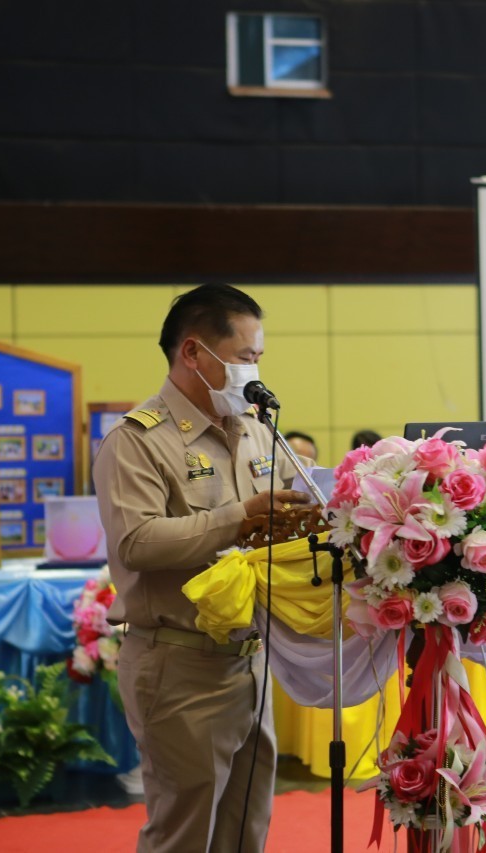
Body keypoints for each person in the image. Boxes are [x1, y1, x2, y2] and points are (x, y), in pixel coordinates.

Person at [93, 283, 307, 853]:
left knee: (246, 829)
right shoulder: (136, 441)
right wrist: (239, 517)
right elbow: (136, 541)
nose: (254, 372)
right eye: (245, 358)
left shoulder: (258, 430)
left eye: (258, 359)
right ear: (194, 353)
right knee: (184, 834)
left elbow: (291, 511)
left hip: (252, 660)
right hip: (179, 662)